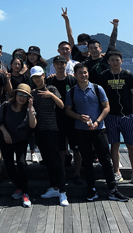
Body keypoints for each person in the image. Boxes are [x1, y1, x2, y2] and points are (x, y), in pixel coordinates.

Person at [65, 63, 129, 202]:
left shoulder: (97, 88)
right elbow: (67, 110)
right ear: (75, 75)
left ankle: (113, 190)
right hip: (81, 130)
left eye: (85, 72)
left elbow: (106, 107)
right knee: (87, 161)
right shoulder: (71, 92)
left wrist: (98, 121)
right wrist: (78, 117)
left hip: (99, 129)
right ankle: (91, 189)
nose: (83, 75)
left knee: (105, 159)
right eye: (80, 73)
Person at [99, 50, 133, 186]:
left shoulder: (128, 75)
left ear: (121, 61)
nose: (115, 62)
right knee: (114, 145)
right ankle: (117, 172)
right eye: (112, 60)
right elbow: (101, 96)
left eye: (117, 60)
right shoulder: (104, 76)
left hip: (128, 116)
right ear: (108, 61)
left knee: (131, 145)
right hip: (111, 116)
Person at [30, 67, 69, 207]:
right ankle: (54, 187)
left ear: (44, 76)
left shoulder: (52, 89)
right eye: (34, 77)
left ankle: (63, 192)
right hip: (39, 130)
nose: (37, 79)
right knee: (47, 160)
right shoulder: (32, 93)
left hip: (52, 129)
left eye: (39, 76)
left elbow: (62, 105)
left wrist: (51, 95)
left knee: (56, 161)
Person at [0, 84, 37, 208]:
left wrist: (30, 108)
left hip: (21, 140)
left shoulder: (29, 109)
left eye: (25, 95)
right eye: (20, 94)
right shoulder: (6, 106)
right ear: (15, 94)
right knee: (9, 165)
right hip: (6, 140)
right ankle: (20, 186)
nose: (22, 97)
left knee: (21, 163)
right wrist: (5, 132)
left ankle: (25, 193)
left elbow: (32, 125)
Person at [46, 56, 82, 184]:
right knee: (61, 148)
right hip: (57, 118)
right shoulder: (50, 81)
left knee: (77, 148)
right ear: (54, 66)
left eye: (62, 63)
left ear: (66, 65)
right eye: (57, 64)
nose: (60, 66)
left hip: (72, 117)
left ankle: (77, 174)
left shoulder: (72, 79)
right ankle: (62, 174)